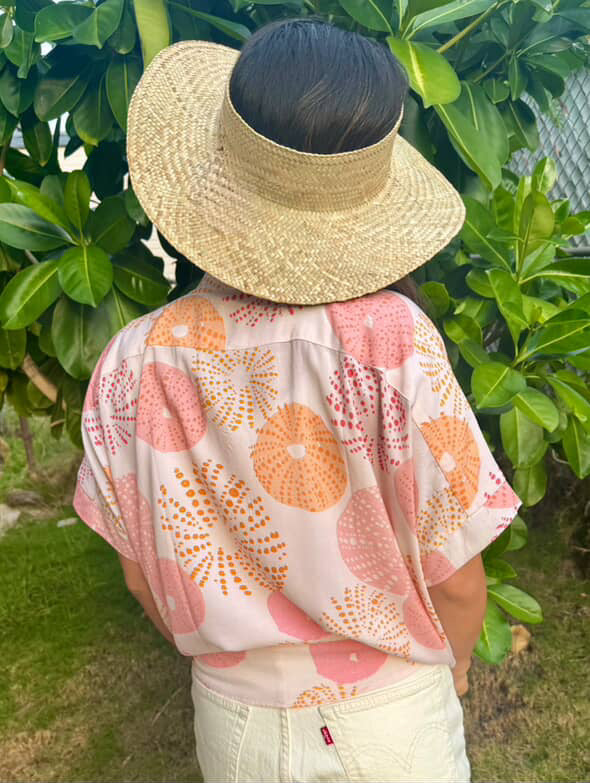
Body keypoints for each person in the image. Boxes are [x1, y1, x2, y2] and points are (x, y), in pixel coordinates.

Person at [74, 18, 521, 783]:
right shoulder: (392, 339)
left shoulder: (132, 360)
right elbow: (457, 575)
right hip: (391, 724)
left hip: (233, 723)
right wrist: (456, 670)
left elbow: (140, 576)